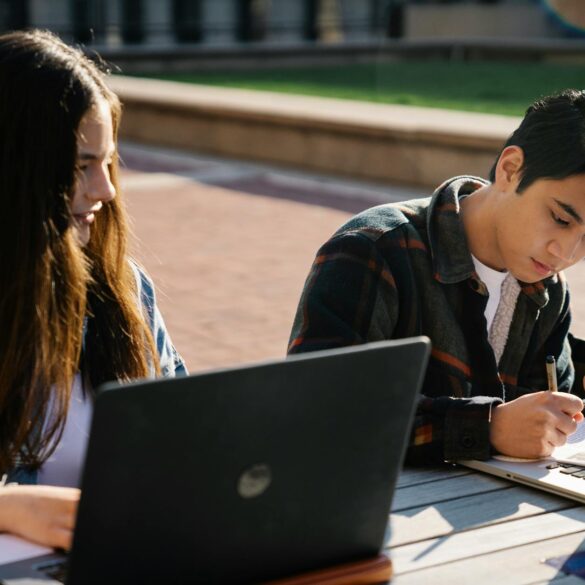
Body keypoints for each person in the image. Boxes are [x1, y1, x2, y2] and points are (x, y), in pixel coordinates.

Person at [288, 89, 585, 465]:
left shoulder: (548, 290)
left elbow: (555, 413)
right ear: (511, 170)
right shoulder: (372, 250)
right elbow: (317, 411)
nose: (567, 253)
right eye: (560, 218)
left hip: (496, 511)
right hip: (373, 511)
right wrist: (488, 428)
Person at [0, 30, 186, 550]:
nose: (105, 189)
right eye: (83, 166)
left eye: (107, 164)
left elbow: (185, 433)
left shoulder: (125, 288)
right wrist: (10, 509)